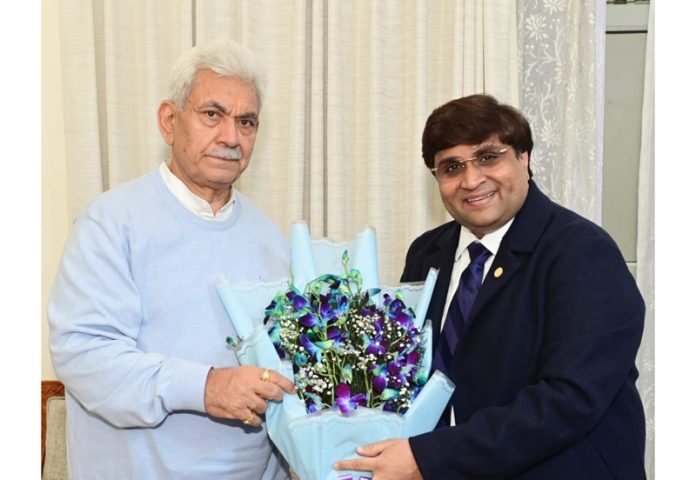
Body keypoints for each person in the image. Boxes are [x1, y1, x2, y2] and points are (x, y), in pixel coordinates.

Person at [335, 94, 646, 479]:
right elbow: (405, 370)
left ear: (524, 158)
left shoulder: (581, 253)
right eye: (451, 167)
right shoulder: (428, 252)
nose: (471, 180)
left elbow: (568, 400)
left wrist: (429, 457)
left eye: (488, 157)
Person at [48, 39, 296, 479]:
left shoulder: (272, 240)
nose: (231, 137)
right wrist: (204, 387)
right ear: (169, 121)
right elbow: (85, 356)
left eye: (247, 122)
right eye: (212, 115)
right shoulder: (111, 223)